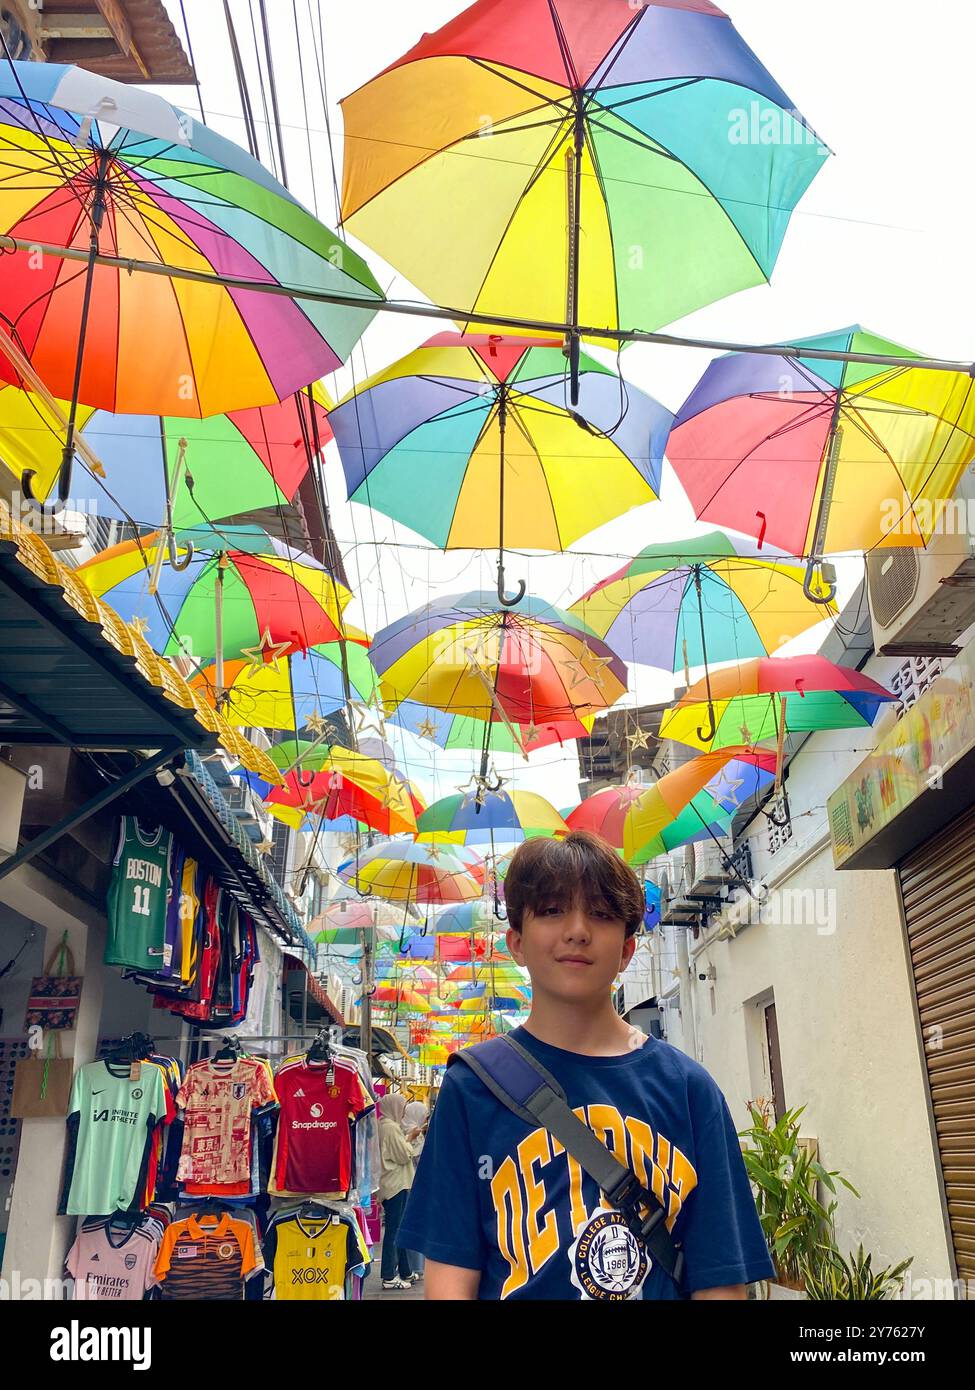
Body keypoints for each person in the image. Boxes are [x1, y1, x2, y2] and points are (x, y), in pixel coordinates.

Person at [397, 830, 775, 1301]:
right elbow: (451, 1280)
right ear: (516, 942)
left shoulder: (688, 1089)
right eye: (553, 910)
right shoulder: (472, 1088)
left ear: (626, 950)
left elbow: (720, 1283)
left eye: (600, 913)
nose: (577, 929)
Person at [378, 1091, 423, 1291]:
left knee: (399, 1228)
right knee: (395, 1230)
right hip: (396, 1184)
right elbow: (404, 1155)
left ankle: (405, 1271)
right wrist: (411, 1138)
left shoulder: (386, 1126)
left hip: (395, 1183)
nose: (403, 1112)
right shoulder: (390, 1128)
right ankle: (388, 1275)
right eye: (402, 1108)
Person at [400, 1098, 430, 1278]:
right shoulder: (407, 1132)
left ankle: (413, 1266)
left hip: (413, 1184)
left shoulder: (406, 1129)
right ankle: (412, 1267)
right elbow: (408, 1155)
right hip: (408, 1184)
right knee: (413, 1223)